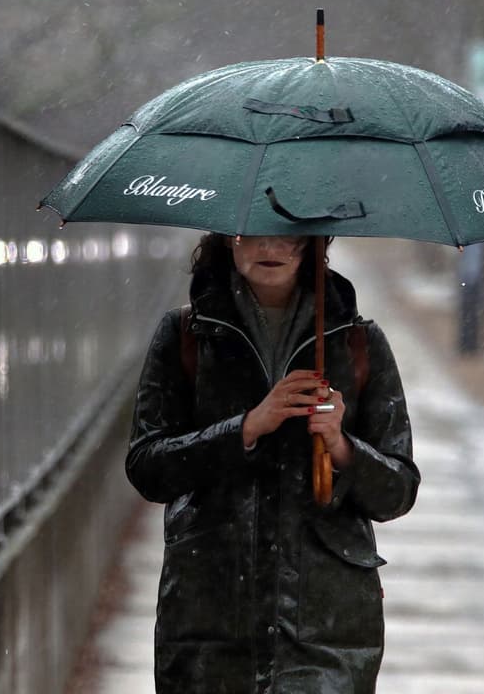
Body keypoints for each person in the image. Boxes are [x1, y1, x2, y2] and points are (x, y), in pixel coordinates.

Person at [126, 233, 420, 693]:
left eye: (287, 236)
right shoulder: (187, 335)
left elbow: (398, 491)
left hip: (327, 630)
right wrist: (245, 428)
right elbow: (147, 465)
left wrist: (341, 446)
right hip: (211, 622)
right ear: (226, 240)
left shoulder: (357, 342)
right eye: (251, 234)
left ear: (313, 243)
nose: (270, 248)